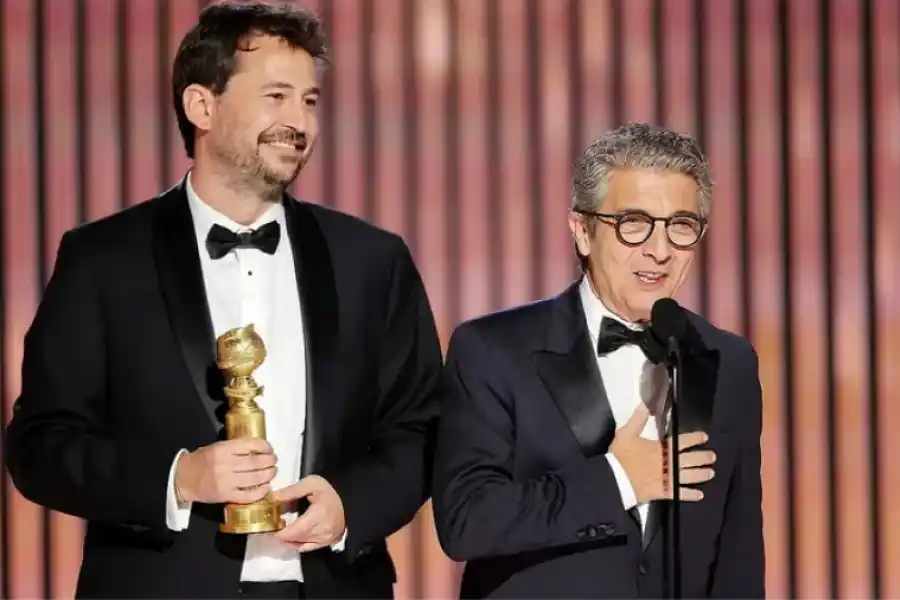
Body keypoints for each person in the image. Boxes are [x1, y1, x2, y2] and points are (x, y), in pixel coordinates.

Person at [5, 2, 442, 598]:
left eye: (310, 101)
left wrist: (351, 505)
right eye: (276, 97)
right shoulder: (102, 259)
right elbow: (40, 446)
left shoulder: (372, 260)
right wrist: (177, 479)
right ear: (200, 106)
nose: (300, 122)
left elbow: (420, 428)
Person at [431, 123, 765, 598]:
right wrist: (618, 479)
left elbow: (737, 555)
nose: (660, 249)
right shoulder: (492, 350)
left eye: (681, 226)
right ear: (583, 232)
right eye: (634, 223)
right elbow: (466, 522)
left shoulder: (729, 361)